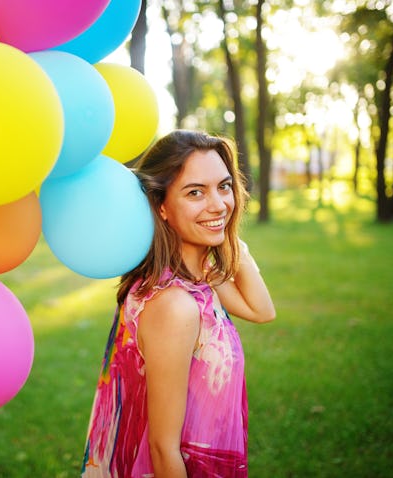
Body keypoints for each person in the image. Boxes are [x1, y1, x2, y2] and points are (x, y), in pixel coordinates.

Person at [81, 130, 276, 477]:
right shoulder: (175, 304)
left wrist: (231, 242)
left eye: (224, 186)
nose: (218, 204)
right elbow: (162, 447)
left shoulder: (199, 279)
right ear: (162, 206)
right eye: (195, 192)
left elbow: (262, 311)